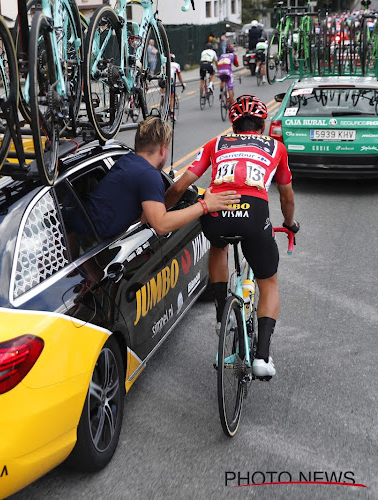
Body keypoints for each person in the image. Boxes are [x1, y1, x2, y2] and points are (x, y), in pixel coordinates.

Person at [166, 95, 299, 379]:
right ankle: (262, 357)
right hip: (254, 214)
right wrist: (290, 223)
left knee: (218, 246)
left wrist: (161, 209)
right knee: (269, 282)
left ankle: (220, 314)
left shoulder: (217, 143)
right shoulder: (277, 147)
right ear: (262, 126)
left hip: (217, 211)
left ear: (233, 124)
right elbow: (286, 196)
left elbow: (180, 186)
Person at [83, 117, 240, 241]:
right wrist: (205, 205)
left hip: (81, 236)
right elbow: (161, 225)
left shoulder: (126, 161)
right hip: (87, 240)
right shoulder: (149, 175)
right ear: (163, 148)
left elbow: (141, 215)